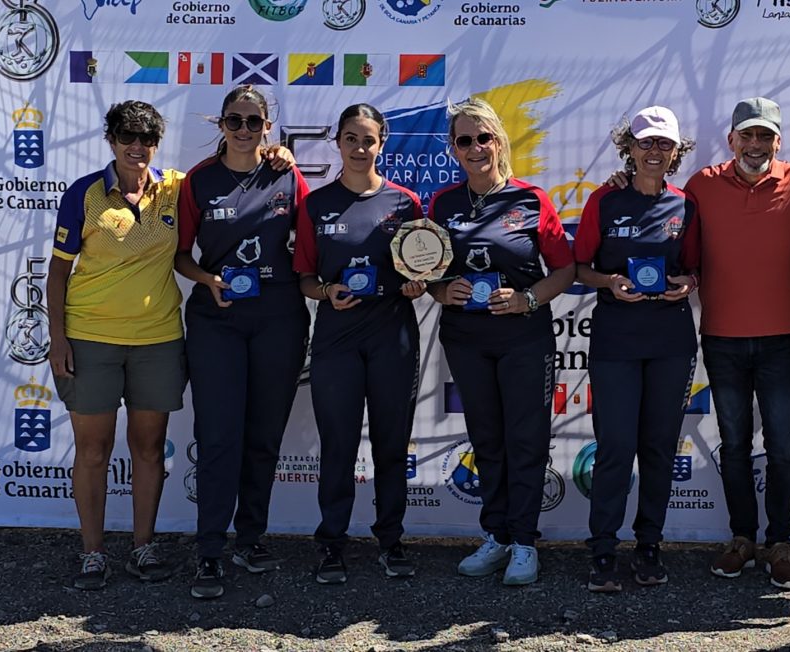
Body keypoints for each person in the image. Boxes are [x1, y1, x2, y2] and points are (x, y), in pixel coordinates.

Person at [677, 97, 790, 590]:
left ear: (779, 142)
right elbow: (661, 211)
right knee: (735, 445)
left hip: (782, 338)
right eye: (748, 135)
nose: (756, 145)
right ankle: (742, 538)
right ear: (731, 139)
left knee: (782, 447)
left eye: (766, 136)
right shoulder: (702, 185)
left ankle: (780, 542)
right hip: (721, 338)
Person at [427, 98, 575, 586]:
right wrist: (441, 289)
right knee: (488, 439)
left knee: (525, 440)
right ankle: (497, 535)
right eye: (464, 140)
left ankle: (525, 542)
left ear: (499, 142)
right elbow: (427, 271)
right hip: (466, 340)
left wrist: (528, 299)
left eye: (483, 138)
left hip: (523, 339)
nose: (475, 148)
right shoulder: (442, 204)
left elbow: (566, 270)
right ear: (453, 148)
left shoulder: (531, 199)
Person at [175, 86, 307, 599]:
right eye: (236, 121)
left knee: (263, 435)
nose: (245, 130)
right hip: (218, 317)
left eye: (255, 122)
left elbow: (311, 242)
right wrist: (207, 281)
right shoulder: (200, 181)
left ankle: (250, 538)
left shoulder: (285, 174)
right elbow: (181, 254)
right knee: (219, 437)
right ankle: (209, 550)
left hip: (278, 315)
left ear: (268, 128)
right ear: (222, 125)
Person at [47, 100, 185, 590]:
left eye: (146, 138)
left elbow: (227, 177)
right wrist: (57, 338)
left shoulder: (174, 187)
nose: (137, 146)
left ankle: (143, 547)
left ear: (156, 143)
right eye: (127, 136)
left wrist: (279, 155)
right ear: (111, 139)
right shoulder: (84, 194)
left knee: (148, 449)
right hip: (90, 339)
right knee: (93, 449)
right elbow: (58, 271)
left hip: (157, 339)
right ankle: (92, 554)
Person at [293, 103, 426, 585]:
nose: (359, 148)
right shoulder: (315, 204)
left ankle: (391, 540)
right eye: (351, 138)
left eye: (368, 139)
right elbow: (305, 277)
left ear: (382, 143)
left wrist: (418, 285)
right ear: (338, 143)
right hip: (337, 337)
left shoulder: (406, 203)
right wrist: (326, 292)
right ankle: (332, 543)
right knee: (339, 445)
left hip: (393, 333)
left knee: (392, 444)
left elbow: (422, 269)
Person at [573, 106, 698, 592]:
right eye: (646, 142)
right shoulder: (602, 201)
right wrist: (610, 282)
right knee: (616, 447)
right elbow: (579, 268)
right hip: (616, 342)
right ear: (629, 147)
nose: (654, 151)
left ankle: (649, 546)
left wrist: (686, 283)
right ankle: (603, 550)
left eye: (664, 144)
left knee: (659, 449)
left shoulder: (685, 205)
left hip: (670, 342)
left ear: (675, 151)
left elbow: (694, 270)